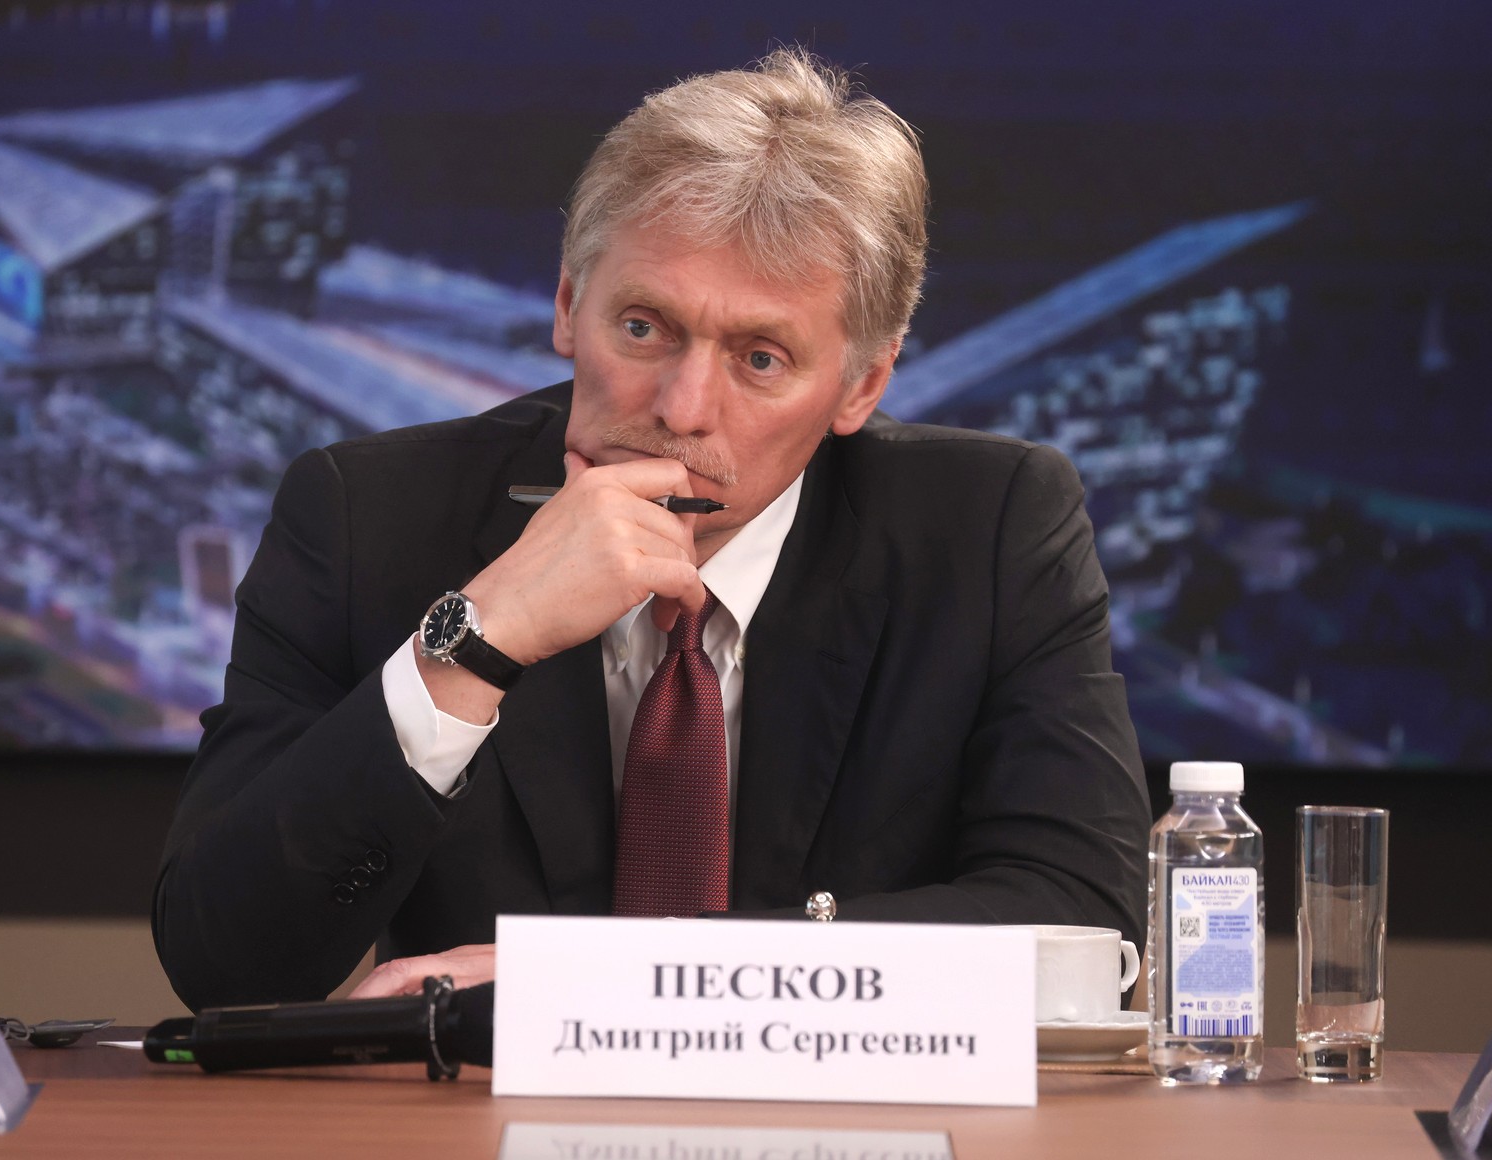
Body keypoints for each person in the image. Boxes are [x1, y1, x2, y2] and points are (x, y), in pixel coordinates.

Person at [154, 48, 1149, 1013]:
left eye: (760, 358)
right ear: (566, 306)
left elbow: (1087, 931)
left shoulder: (988, 530)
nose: (681, 409)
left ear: (862, 385)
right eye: (642, 327)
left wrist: (609, 977)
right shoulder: (366, 515)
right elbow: (224, 962)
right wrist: (477, 641)